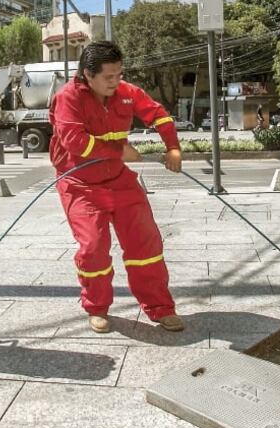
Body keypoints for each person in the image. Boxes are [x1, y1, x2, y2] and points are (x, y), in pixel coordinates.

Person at [49, 41, 185, 333]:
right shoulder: (68, 98)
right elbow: (74, 141)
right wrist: (119, 152)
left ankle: (161, 308)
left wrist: (172, 147)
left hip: (119, 180)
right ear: (88, 74)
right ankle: (96, 308)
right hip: (79, 183)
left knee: (146, 242)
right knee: (93, 248)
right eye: (109, 76)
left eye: (119, 74)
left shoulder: (126, 93)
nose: (116, 81)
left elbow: (159, 114)